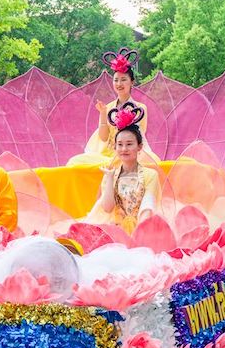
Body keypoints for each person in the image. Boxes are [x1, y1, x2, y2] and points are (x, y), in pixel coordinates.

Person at [68, 48, 148, 165]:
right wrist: (103, 114)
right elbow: (104, 138)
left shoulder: (140, 108)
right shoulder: (109, 107)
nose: (119, 84)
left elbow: (138, 137)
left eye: (123, 80)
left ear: (132, 82)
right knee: (75, 162)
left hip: (129, 155)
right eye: (116, 80)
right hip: (107, 155)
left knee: (150, 160)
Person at [91, 102, 160, 235]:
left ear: (139, 147)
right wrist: (110, 178)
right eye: (120, 145)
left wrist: (140, 233)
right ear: (115, 147)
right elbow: (107, 208)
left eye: (129, 144)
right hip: (115, 231)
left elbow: (147, 206)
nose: (124, 149)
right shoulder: (110, 175)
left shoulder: (150, 175)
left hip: (142, 229)